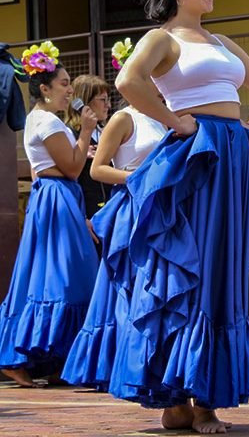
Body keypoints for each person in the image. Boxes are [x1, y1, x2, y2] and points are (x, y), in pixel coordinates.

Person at [107, 0, 249, 434]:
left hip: (230, 157)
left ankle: (202, 396)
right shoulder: (163, 39)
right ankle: (181, 397)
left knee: (223, 271)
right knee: (193, 268)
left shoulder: (224, 41)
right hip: (195, 160)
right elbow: (127, 81)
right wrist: (175, 121)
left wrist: (248, 130)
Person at [0, 42, 100, 388]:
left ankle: (55, 360)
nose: (69, 90)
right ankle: (20, 357)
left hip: (56, 199)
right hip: (57, 200)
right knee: (67, 276)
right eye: (64, 84)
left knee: (57, 277)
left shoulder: (44, 120)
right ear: (45, 89)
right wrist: (85, 132)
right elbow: (73, 167)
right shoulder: (46, 122)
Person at [61, 53, 168, 391]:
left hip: (160, 208)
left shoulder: (165, 120)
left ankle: (143, 363)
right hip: (133, 208)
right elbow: (97, 169)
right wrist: (135, 177)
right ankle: (116, 362)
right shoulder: (124, 118)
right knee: (127, 283)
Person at [64, 75, 112, 220]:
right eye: (103, 100)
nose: (108, 105)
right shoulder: (69, 133)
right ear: (84, 103)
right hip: (87, 212)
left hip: (110, 209)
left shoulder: (105, 131)